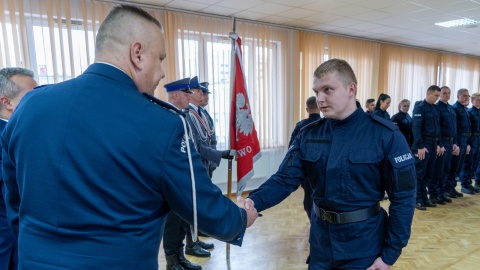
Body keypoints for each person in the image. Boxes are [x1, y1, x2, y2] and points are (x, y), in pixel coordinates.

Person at [1, 5, 258, 269]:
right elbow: (201, 206)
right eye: (159, 59)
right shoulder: (161, 124)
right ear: (137, 54)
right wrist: (241, 218)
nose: (162, 73)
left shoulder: (29, 107)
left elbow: (14, 201)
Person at [245, 59, 416, 269]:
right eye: (317, 92)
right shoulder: (308, 134)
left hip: (364, 246)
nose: (320, 99)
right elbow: (284, 179)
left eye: (328, 90)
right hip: (321, 245)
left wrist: (390, 253)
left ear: (351, 89)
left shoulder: (386, 135)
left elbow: (404, 197)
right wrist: (253, 202)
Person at [160, 77, 203, 270]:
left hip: (184, 179)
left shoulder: (182, 116)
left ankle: (180, 256)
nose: (190, 96)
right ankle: (171, 262)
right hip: (172, 180)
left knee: (181, 220)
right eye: (186, 93)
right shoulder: (166, 116)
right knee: (171, 222)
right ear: (175, 95)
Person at [0, 67, 37, 270]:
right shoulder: (10, 139)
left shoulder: (17, 133)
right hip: (9, 246)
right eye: (32, 95)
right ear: (7, 103)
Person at [288, 96, 320, 221]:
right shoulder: (327, 125)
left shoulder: (301, 126)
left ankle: (313, 220)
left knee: (309, 198)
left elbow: (292, 148)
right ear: (319, 107)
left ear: (307, 109)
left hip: (306, 168)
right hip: (323, 167)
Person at [411, 86, 442, 210]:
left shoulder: (435, 108)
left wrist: (439, 144)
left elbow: (438, 128)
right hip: (423, 145)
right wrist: (420, 146)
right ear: (428, 94)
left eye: (438, 96)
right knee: (419, 174)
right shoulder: (420, 107)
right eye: (436, 95)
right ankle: (417, 199)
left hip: (433, 145)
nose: (437, 98)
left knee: (428, 174)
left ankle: (424, 197)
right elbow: (416, 127)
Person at [431, 86, 457, 204]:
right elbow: (437, 129)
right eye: (444, 93)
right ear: (439, 94)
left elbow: (454, 128)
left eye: (449, 93)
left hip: (451, 141)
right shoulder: (437, 108)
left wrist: (455, 143)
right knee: (438, 169)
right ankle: (434, 194)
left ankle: (441, 193)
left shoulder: (451, 109)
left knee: (446, 169)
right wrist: (439, 144)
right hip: (442, 142)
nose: (447, 95)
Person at [446, 89, 471, 197]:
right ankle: (448, 188)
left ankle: (452, 187)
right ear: (458, 96)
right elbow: (455, 127)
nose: (467, 98)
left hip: (464, 139)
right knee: (453, 165)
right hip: (458, 139)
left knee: (458, 166)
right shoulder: (455, 108)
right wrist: (455, 143)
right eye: (464, 96)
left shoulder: (464, 109)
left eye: (468, 96)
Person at [459, 93, 480, 194]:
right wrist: (468, 143)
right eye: (477, 100)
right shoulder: (469, 112)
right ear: (472, 101)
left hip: (478, 139)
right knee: (468, 162)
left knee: (475, 163)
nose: (479, 102)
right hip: (472, 139)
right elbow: (468, 128)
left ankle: (470, 183)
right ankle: (465, 184)